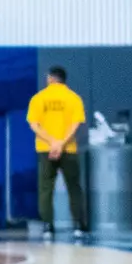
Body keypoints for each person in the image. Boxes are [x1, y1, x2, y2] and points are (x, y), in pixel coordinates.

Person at [28, 66, 89, 242]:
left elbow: (34, 125)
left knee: (46, 189)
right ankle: (79, 226)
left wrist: (52, 143)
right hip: (68, 149)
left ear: (49, 78)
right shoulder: (74, 98)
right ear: (64, 79)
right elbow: (76, 124)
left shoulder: (39, 99)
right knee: (74, 188)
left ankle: (48, 226)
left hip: (45, 149)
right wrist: (61, 143)